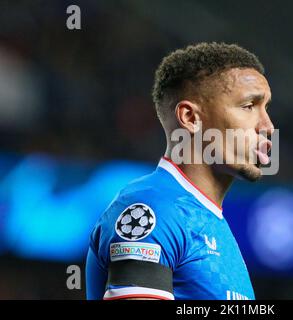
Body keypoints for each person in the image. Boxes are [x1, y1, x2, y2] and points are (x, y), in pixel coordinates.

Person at [86, 42, 274, 300]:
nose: (267, 126)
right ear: (190, 117)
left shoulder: (208, 220)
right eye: (249, 106)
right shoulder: (151, 209)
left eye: (266, 108)